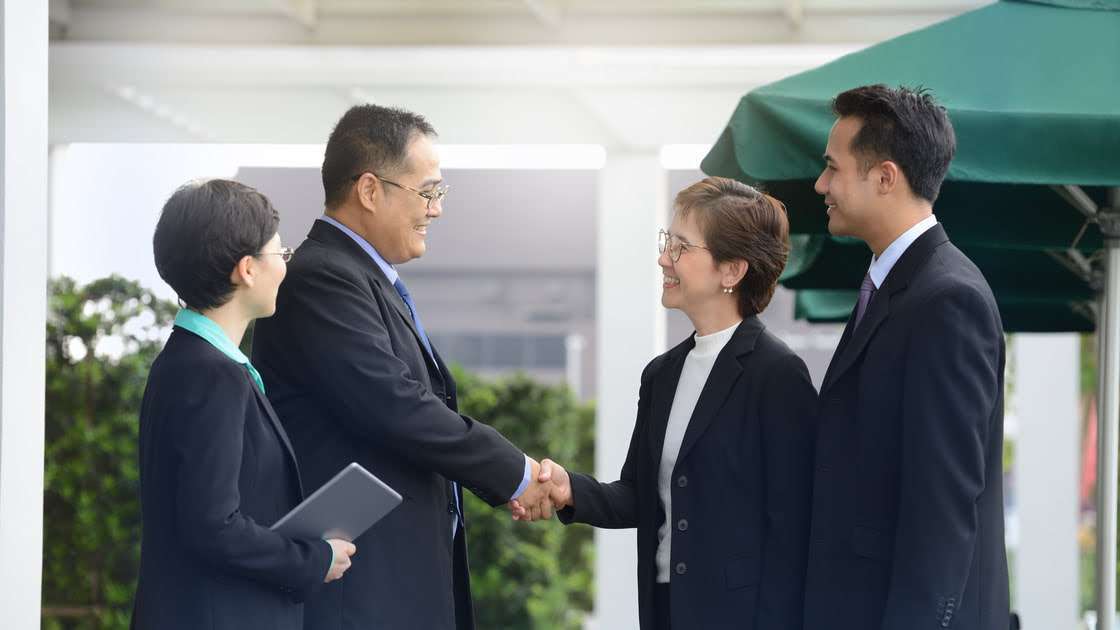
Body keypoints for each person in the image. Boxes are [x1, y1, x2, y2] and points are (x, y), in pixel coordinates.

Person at [250, 104, 555, 630]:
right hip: (359, 592)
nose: (436, 210)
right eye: (428, 192)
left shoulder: (360, 278)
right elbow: (397, 405)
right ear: (370, 190)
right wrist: (517, 474)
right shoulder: (322, 279)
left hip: (392, 583)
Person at [513, 177, 817, 630]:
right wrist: (569, 490)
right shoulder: (662, 374)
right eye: (666, 242)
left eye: (680, 247)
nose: (663, 258)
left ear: (731, 270)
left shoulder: (777, 374)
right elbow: (639, 497)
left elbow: (794, 532)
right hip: (664, 611)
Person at [802, 85, 1009, 630]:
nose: (821, 185)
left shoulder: (948, 300)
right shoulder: (895, 283)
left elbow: (943, 507)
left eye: (833, 169)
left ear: (885, 177)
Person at [131, 179, 355, 630]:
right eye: (281, 255)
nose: (285, 267)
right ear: (246, 269)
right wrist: (312, 559)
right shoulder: (210, 373)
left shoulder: (190, 362)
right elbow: (212, 525)